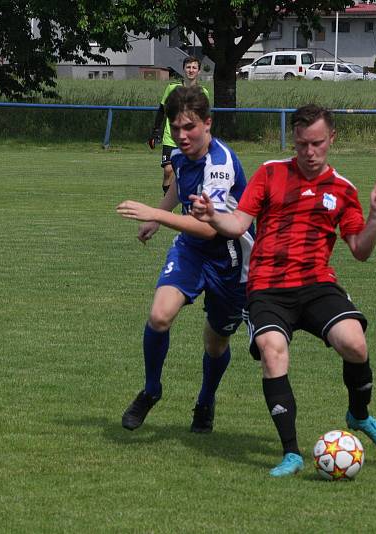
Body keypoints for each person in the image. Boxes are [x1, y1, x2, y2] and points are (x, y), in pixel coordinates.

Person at [190, 104, 376, 477]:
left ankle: (360, 414)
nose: (309, 152)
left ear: (331, 138)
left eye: (317, 143)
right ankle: (291, 452)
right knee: (273, 351)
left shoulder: (343, 189)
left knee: (355, 343)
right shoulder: (270, 174)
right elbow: (238, 224)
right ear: (294, 140)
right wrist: (212, 216)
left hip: (317, 284)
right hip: (268, 288)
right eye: (302, 143)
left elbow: (360, 251)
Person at [117, 86, 253, 433]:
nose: (181, 135)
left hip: (231, 259)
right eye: (175, 128)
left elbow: (211, 229)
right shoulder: (180, 155)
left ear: (207, 124)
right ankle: (151, 390)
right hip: (191, 249)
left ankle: (205, 401)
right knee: (159, 316)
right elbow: (178, 186)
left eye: (189, 127)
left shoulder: (219, 164)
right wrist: (158, 214)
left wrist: (155, 214)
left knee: (215, 342)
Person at [148, 56, 210, 195]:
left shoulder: (202, 92)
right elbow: (161, 110)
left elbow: (204, 117)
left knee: (188, 173)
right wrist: (155, 131)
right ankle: (167, 202)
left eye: (194, 67)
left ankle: (187, 204)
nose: (191, 70)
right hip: (171, 137)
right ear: (183, 69)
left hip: (191, 139)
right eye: (188, 67)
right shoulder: (172, 88)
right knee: (168, 170)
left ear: (199, 71)